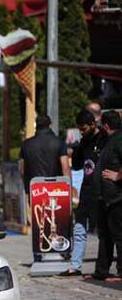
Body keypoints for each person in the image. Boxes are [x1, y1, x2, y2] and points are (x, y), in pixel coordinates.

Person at [58, 110, 107, 277]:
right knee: (79, 228)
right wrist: (80, 145)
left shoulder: (104, 139)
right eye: (80, 129)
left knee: (103, 231)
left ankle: (103, 268)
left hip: (102, 190)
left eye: (84, 129)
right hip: (86, 190)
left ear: (93, 125)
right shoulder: (84, 142)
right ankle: (75, 265)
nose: (82, 132)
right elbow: (78, 165)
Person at [87, 110, 122, 282]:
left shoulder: (119, 140)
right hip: (105, 197)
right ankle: (101, 270)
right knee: (105, 234)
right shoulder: (107, 140)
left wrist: (118, 176)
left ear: (107, 125)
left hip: (117, 196)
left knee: (119, 235)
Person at [19, 115, 71, 194]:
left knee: (37, 206)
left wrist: (27, 188)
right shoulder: (59, 143)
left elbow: (22, 170)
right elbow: (65, 168)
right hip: (56, 189)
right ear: (50, 125)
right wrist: (68, 189)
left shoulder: (26, 145)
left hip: (35, 189)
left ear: (36, 125)